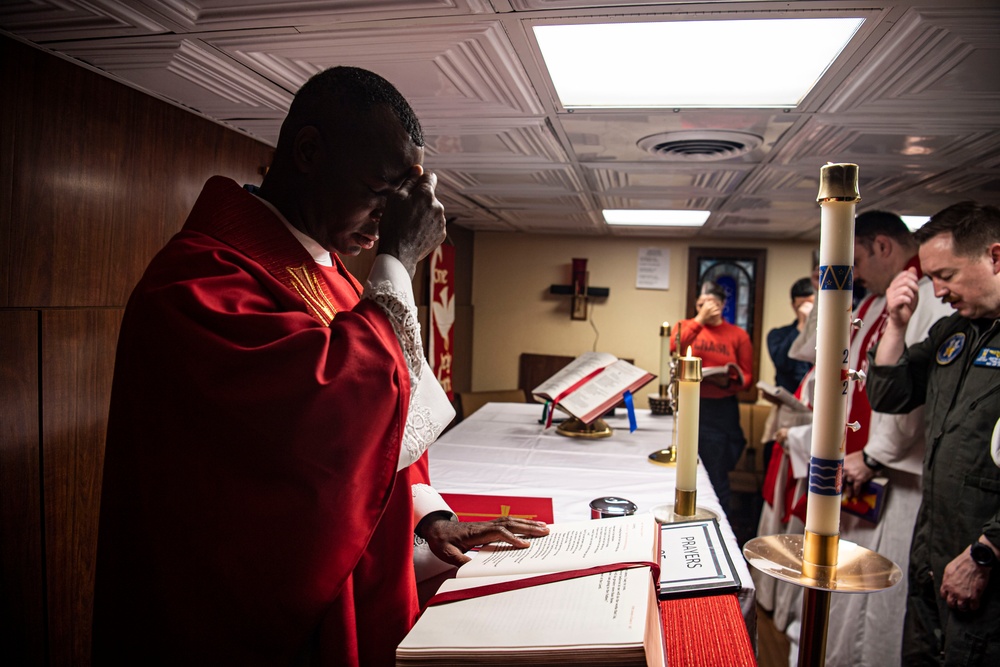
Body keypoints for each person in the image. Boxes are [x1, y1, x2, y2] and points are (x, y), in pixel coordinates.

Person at [92, 66, 548, 666]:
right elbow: (321, 431)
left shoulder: (324, 272)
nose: (389, 220)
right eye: (381, 193)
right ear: (308, 152)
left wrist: (427, 516)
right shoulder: (198, 283)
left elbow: (382, 431)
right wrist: (397, 260)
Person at [771, 211, 951, 666]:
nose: (855, 273)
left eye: (856, 261)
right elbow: (816, 354)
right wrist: (827, 290)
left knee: (872, 605)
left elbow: (909, 396)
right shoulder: (874, 300)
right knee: (841, 592)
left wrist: (871, 455)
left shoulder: (928, 295)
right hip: (861, 462)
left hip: (895, 478)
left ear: (883, 247)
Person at [866, 201, 1000, 665]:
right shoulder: (954, 331)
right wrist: (897, 324)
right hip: (935, 542)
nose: (937, 290)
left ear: (995, 257)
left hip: (984, 553)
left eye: (947, 275)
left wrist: (986, 554)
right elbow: (890, 394)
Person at [671, 281, 753, 511]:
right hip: (691, 404)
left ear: (722, 305)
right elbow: (674, 349)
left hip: (721, 409)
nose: (705, 308)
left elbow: (748, 378)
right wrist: (699, 320)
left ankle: (717, 517)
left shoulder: (737, 335)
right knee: (685, 466)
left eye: (711, 304)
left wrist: (730, 378)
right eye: (701, 304)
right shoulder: (686, 326)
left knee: (716, 472)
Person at [766, 277, 815, 393]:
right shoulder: (778, 335)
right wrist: (803, 325)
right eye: (800, 307)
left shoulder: (826, 337)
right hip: (789, 401)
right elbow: (782, 363)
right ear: (793, 306)